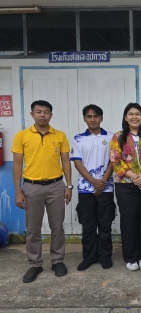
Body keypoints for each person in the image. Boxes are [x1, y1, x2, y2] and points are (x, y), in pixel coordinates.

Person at [12, 100, 72, 283]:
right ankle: (35, 264)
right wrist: (18, 192)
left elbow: (66, 162)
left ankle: (57, 260)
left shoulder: (60, 136)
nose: (42, 115)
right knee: (33, 229)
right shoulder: (22, 136)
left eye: (46, 112)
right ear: (32, 114)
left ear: (51, 115)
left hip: (56, 186)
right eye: (38, 111)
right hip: (31, 187)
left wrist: (69, 186)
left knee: (57, 227)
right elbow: (16, 164)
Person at [110, 102, 141, 271]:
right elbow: (116, 160)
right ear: (125, 117)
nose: (134, 117)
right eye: (130, 114)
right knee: (129, 220)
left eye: (138, 114)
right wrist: (135, 177)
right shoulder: (118, 137)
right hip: (125, 185)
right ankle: (131, 257)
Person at [70, 104, 115, 271]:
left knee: (105, 223)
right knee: (88, 225)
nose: (93, 119)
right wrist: (93, 182)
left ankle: (105, 255)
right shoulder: (78, 138)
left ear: (101, 118)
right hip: (85, 189)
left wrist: (102, 181)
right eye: (89, 116)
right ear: (84, 119)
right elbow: (77, 163)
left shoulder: (111, 137)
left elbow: (113, 161)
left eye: (96, 116)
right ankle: (89, 256)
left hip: (106, 188)